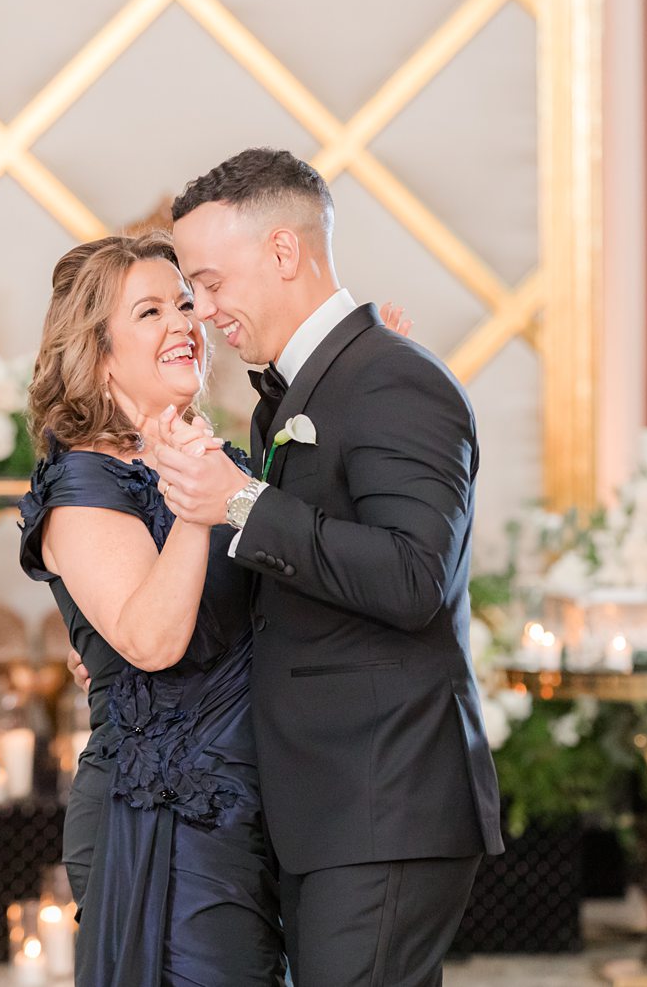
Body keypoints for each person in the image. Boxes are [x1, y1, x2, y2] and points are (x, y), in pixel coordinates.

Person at [147, 147, 505, 986]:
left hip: (384, 802)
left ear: (283, 252)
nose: (201, 310)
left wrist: (240, 503)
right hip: (330, 808)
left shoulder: (392, 382)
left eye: (209, 280)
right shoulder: (309, 390)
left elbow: (416, 576)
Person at [18, 232, 282, 985]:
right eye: (151, 310)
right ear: (100, 354)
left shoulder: (212, 456)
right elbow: (153, 640)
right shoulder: (84, 485)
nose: (182, 323)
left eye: (185, 303)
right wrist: (195, 504)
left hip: (251, 805)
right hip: (165, 820)